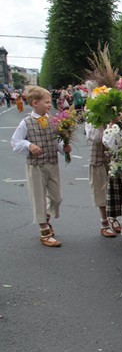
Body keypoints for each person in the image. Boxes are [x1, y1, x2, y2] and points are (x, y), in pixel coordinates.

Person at [10, 86, 71, 246]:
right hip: (35, 166)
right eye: (47, 102)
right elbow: (15, 142)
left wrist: (64, 148)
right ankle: (44, 230)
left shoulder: (53, 121)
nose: (50, 105)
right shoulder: (26, 123)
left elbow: (56, 141)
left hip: (52, 163)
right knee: (38, 198)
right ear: (35, 103)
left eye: (50, 102)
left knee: (57, 198)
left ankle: (46, 217)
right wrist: (29, 145)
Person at [85, 117, 116, 238]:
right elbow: (95, 138)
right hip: (98, 156)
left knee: (115, 188)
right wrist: (102, 125)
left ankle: (113, 217)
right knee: (100, 189)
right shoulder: (92, 117)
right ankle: (104, 221)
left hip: (114, 156)